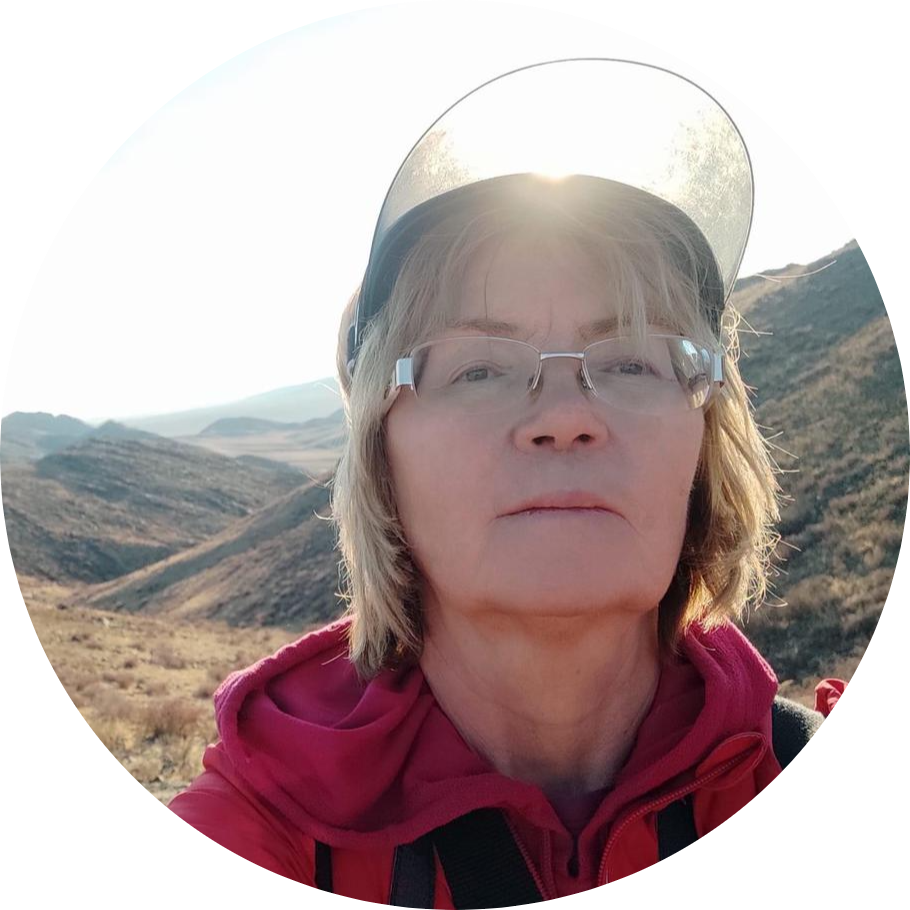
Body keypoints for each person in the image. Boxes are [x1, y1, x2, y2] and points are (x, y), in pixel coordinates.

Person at [168, 59, 847, 898]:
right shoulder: (265, 825)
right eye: (479, 369)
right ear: (383, 456)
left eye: (631, 361)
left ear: (704, 439)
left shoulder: (779, 758)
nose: (563, 415)